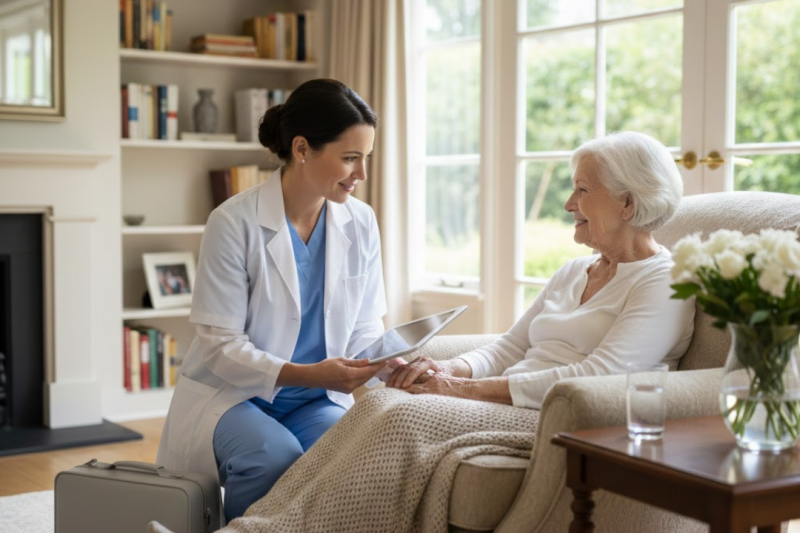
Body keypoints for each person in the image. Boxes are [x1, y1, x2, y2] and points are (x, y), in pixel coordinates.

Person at [156, 79, 395, 523]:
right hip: (233, 394)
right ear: (302, 149)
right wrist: (306, 372)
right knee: (272, 457)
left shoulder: (360, 221)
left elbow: (364, 325)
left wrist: (390, 362)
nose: (361, 174)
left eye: (366, 158)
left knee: (349, 455)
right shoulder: (232, 222)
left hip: (314, 398)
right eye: (349, 158)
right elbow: (221, 346)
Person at [387, 131, 695, 407]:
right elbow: (509, 348)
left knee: (404, 416)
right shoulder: (574, 271)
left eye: (583, 190)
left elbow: (601, 376)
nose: (569, 204)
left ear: (626, 202)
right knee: (387, 400)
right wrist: (448, 370)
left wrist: (466, 389)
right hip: (503, 401)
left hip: (550, 415)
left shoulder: (666, 281)